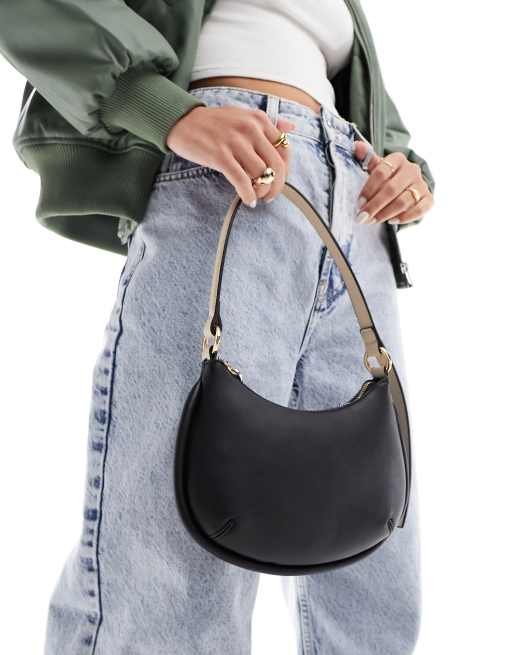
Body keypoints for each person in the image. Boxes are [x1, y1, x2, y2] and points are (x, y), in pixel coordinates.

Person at [0, 1, 435, 653]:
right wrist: (167, 112)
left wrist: (404, 168)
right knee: (176, 547)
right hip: (227, 165)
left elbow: (360, 95)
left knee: (372, 553)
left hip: (354, 200)